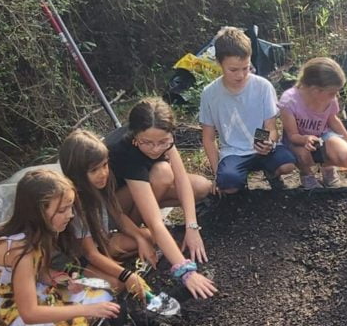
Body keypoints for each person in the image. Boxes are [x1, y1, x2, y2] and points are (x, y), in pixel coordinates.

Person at [0, 169, 119, 326]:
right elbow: (30, 313)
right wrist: (89, 310)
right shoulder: (19, 250)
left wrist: (58, 279)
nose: (70, 215)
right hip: (3, 319)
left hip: (25, 296)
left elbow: (37, 273)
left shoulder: (36, 235)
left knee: (100, 295)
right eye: (62, 210)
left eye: (70, 208)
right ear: (38, 211)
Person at [106, 98, 216, 299]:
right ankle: (134, 230)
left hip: (144, 187)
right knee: (163, 173)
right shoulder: (124, 150)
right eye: (148, 143)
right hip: (115, 205)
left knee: (202, 186)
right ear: (135, 135)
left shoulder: (164, 137)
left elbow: (182, 181)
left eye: (163, 142)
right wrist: (185, 271)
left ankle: (144, 231)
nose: (156, 149)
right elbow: (156, 222)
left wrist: (192, 226)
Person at [199, 26, 296, 194]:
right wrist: (217, 173)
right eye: (233, 70)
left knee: (287, 164)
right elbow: (208, 138)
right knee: (228, 185)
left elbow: (270, 126)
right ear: (219, 63)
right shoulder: (210, 93)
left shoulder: (262, 86)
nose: (240, 75)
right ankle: (238, 183)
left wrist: (268, 143)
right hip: (232, 151)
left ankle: (271, 173)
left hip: (259, 148)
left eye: (245, 68)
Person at [58, 129, 153, 296]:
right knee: (117, 285)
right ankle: (83, 281)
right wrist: (126, 275)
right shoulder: (75, 203)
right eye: (94, 170)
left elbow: (117, 214)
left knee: (150, 237)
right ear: (77, 173)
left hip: (104, 242)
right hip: (81, 259)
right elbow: (90, 253)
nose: (103, 173)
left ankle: (116, 260)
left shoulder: (101, 186)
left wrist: (139, 237)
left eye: (104, 165)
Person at [278, 57, 347, 189]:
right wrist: (306, 139)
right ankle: (307, 175)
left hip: (322, 135)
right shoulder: (289, 101)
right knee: (303, 155)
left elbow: (333, 120)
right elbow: (292, 135)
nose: (335, 96)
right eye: (332, 92)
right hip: (298, 140)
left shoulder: (330, 99)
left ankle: (327, 168)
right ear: (315, 90)